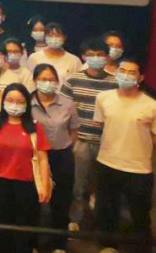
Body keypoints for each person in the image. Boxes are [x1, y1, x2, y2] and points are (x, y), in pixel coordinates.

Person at [93, 57, 156, 253]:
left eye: (131, 72)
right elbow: (102, 125)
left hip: (138, 168)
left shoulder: (154, 107)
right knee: (107, 209)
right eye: (122, 71)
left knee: (140, 213)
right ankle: (108, 246)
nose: (125, 75)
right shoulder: (103, 98)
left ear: (140, 78)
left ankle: (141, 248)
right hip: (107, 162)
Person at [0, 84, 52, 253]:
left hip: (26, 184)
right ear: (3, 101)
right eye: (10, 100)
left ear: (27, 104)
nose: (14, 105)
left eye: (20, 101)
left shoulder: (35, 127)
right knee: (1, 226)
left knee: (24, 227)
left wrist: (44, 185)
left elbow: (43, 158)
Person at [60, 38, 118, 228]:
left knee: (102, 186)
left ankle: (99, 222)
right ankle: (74, 219)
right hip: (80, 141)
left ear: (107, 57)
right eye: (91, 54)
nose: (96, 58)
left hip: (106, 142)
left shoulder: (115, 83)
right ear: (84, 57)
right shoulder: (72, 79)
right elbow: (63, 110)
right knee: (77, 185)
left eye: (100, 54)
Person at [30, 63, 79, 253]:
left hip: (61, 156)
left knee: (61, 201)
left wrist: (63, 145)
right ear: (35, 81)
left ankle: (59, 244)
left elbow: (73, 131)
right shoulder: (26, 103)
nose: (47, 83)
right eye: (43, 79)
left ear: (58, 82)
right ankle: (32, 243)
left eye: (51, 79)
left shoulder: (68, 103)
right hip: (33, 157)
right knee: (32, 200)